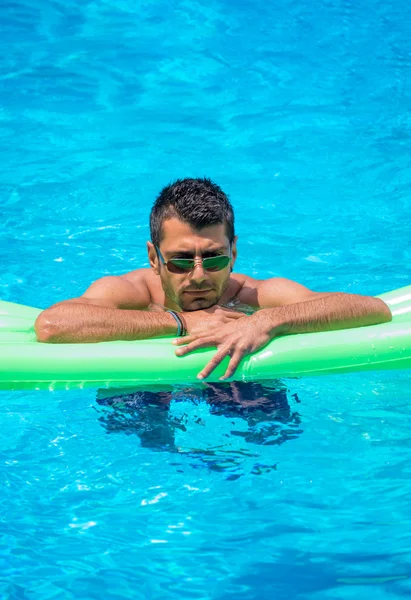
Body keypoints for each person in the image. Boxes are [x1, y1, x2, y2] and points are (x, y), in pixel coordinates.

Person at [35, 177, 392, 380]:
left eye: (214, 257)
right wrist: (182, 321)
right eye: (180, 260)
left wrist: (268, 321)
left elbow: (372, 309)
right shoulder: (132, 292)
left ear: (233, 252)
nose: (199, 275)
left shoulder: (251, 296)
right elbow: (53, 325)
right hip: (144, 386)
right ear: (152, 257)